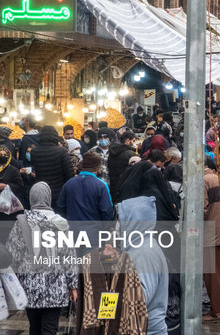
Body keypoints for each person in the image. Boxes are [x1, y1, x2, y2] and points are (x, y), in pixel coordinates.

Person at [7, 182, 78, 335]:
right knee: (50, 328)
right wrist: (73, 285)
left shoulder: (21, 222)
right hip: (56, 286)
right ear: (48, 198)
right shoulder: (61, 224)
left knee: (34, 327)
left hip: (29, 286)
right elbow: (69, 257)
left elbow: (13, 256)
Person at [116, 195, 169, 334]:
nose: (118, 225)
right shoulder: (141, 247)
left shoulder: (143, 253)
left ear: (133, 221)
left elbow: (139, 298)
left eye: (121, 220)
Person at [56, 152, 115, 253]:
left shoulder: (69, 184)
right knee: (91, 266)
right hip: (93, 234)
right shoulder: (101, 185)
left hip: (72, 232)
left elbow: (60, 207)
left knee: (74, 264)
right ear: (98, 167)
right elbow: (107, 212)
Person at [202, 156, 220, 321]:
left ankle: (216, 310)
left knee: (212, 275)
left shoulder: (203, 181)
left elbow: (202, 210)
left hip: (209, 234)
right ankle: (218, 307)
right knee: (219, 272)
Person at [30, 125, 74, 208]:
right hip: (58, 192)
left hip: (41, 192)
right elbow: (69, 173)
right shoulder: (61, 151)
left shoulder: (34, 152)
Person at [108, 130, 137, 203]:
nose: (134, 143)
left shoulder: (112, 152)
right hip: (125, 187)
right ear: (127, 141)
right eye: (133, 141)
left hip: (113, 185)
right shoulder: (130, 154)